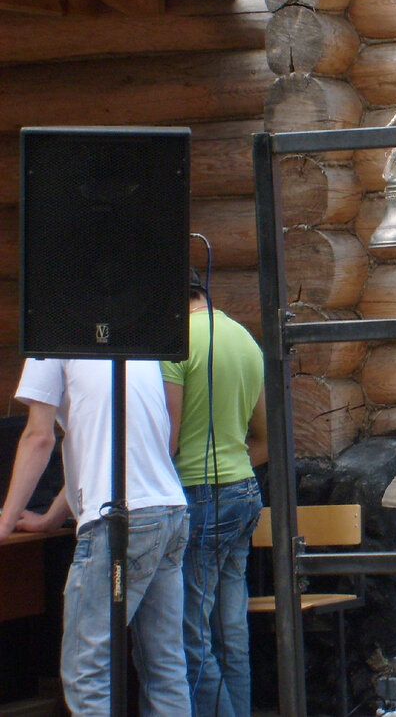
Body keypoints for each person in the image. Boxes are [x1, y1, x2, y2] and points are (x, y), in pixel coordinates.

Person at [0, 357, 190, 717]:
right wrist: (51, 518)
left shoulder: (50, 340)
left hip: (120, 518)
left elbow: (39, 438)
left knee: (88, 671)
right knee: (165, 666)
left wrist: (4, 522)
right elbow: (99, 451)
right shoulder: (128, 335)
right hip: (169, 508)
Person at [163, 270, 268, 717]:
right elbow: (262, 436)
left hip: (196, 493)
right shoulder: (244, 337)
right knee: (231, 636)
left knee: (192, 638)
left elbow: (166, 441)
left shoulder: (173, 343)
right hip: (244, 490)